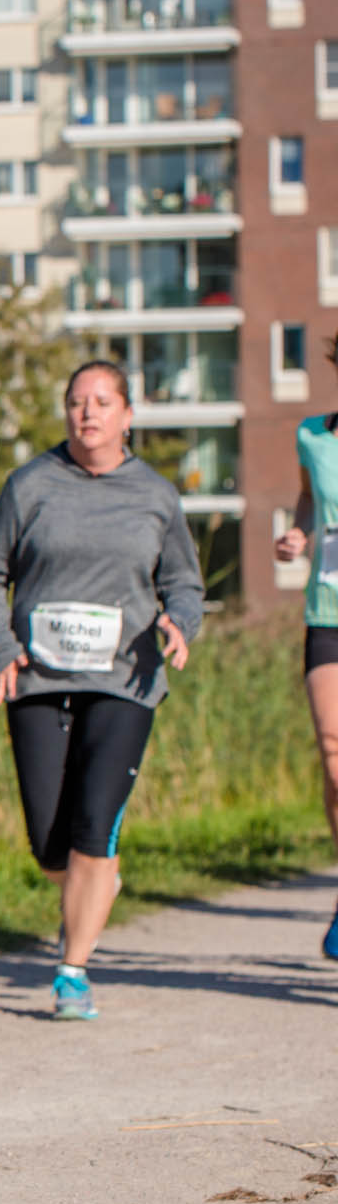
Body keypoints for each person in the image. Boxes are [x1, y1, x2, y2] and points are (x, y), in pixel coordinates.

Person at [0, 360, 204, 1020]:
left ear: (127, 414)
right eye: (77, 401)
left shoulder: (156, 495)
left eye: (103, 401)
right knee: (52, 843)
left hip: (125, 679)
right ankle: (95, 879)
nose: (88, 412)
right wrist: (2, 649)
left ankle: (72, 970)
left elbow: (184, 582)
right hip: (38, 676)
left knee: (94, 825)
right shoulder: (30, 484)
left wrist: (179, 623)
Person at [271, 342, 338, 960]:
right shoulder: (313, 436)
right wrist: (297, 533)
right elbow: (310, 500)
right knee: (335, 757)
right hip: (328, 614)